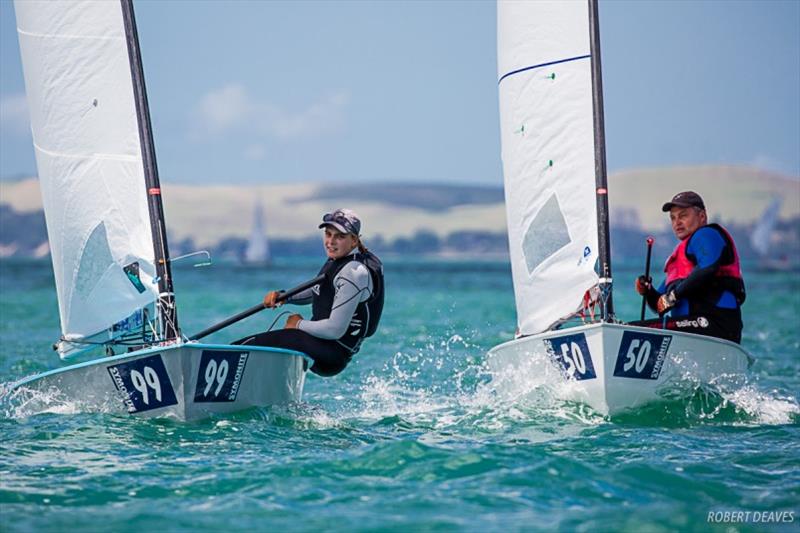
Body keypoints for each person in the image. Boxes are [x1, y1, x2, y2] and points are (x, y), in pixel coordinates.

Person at [235, 209, 384, 376]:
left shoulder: (353, 272)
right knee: (271, 343)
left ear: (354, 240)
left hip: (332, 352)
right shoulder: (342, 259)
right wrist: (284, 297)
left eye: (340, 236)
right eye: (328, 234)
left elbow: (335, 329)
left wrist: (298, 324)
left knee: (252, 345)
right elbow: (318, 291)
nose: (331, 241)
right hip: (323, 345)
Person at [633, 191, 745, 343]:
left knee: (635, 329)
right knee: (638, 328)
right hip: (691, 327)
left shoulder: (706, 234)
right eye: (673, 218)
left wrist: (673, 296)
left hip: (715, 324)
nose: (677, 222)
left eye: (683, 215)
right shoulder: (680, 259)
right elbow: (660, 306)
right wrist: (648, 291)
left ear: (702, 217)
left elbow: (708, 268)